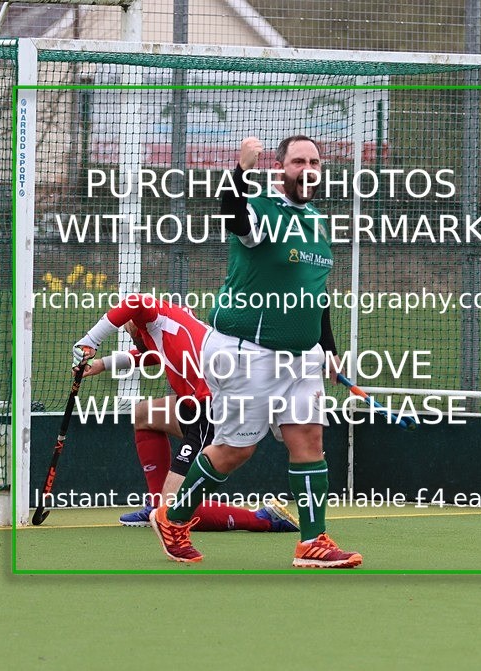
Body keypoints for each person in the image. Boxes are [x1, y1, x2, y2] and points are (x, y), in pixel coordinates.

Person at [148, 135, 363, 568]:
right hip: (248, 351)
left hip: (300, 357)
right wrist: (241, 170)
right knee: (235, 451)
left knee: (309, 440)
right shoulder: (263, 208)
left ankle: (312, 542)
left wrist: (328, 348)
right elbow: (232, 214)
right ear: (281, 168)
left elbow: (313, 293)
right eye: (298, 160)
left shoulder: (319, 223)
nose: (307, 167)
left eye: (314, 161)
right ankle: (174, 517)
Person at [73, 294, 299, 533]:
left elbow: (134, 302)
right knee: (144, 415)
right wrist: (102, 364)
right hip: (193, 403)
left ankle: (263, 518)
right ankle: (155, 504)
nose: (129, 330)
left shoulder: (153, 316)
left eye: (129, 326)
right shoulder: (165, 326)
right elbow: (150, 353)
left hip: (213, 409)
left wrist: (90, 340)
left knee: (173, 509)